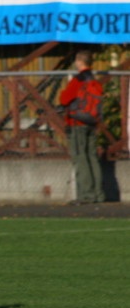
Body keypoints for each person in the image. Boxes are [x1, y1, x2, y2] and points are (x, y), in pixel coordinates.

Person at [59, 50, 105, 205]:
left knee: (80, 157)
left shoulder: (78, 80)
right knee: (92, 157)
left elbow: (64, 99)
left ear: (79, 61)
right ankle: (98, 194)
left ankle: (86, 194)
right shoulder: (94, 80)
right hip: (92, 122)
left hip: (77, 123)